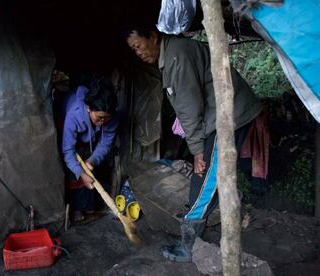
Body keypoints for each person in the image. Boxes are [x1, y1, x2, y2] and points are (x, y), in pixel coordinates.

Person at [125, 26, 262, 262]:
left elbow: (189, 108)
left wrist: (198, 151)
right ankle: (196, 222)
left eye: (138, 45)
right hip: (222, 114)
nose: (137, 52)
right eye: (133, 50)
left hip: (228, 116)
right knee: (209, 176)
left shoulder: (177, 55)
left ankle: (188, 245)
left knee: (206, 177)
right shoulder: (172, 54)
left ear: (153, 36)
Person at [62, 76, 119, 222]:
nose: (102, 122)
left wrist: (92, 161)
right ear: (89, 108)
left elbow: (105, 143)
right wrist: (80, 172)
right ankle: (76, 209)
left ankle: (88, 207)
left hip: (89, 138)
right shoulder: (73, 115)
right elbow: (68, 151)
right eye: (99, 117)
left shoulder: (111, 117)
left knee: (90, 167)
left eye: (106, 118)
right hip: (68, 128)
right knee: (73, 170)